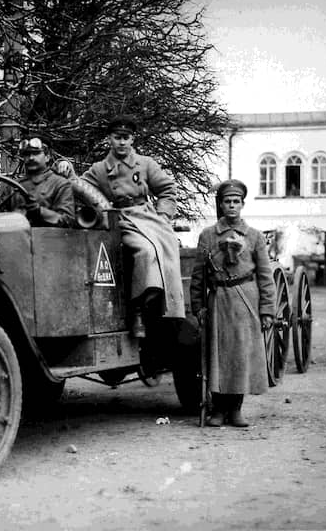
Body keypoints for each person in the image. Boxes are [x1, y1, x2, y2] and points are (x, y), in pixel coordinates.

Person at [80, 115, 185, 338]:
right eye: (117, 137)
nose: (121, 142)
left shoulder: (145, 164)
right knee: (144, 251)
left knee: (169, 247)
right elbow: (82, 188)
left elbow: (167, 189)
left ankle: (166, 306)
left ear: (132, 139)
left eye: (126, 138)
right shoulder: (99, 169)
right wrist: (67, 172)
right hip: (120, 220)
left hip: (149, 217)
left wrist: (164, 214)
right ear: (109, 139)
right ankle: (138, 308)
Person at [190, 179, 276, 427]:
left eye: (236, 202)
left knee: (240, 356)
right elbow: (198, 276)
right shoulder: (207, 235)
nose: (231, 206)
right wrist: (198, 307)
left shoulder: (255, 237)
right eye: (227, 201)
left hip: (245, 299)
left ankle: (236, 409)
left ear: (242, 204)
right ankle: (218, 410)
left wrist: (267, 310)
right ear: (220, 204)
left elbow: (265, 276)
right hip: (218, 300)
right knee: (218, 355)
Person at [6, 136, 75, 228]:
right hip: (16, 238)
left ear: (47, 157)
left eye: (36, 153)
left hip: (49, 238)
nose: (31, 158)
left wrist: (40, 211)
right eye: (27, 154)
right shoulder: (13, 186)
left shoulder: (60, 184)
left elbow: (68, 221)